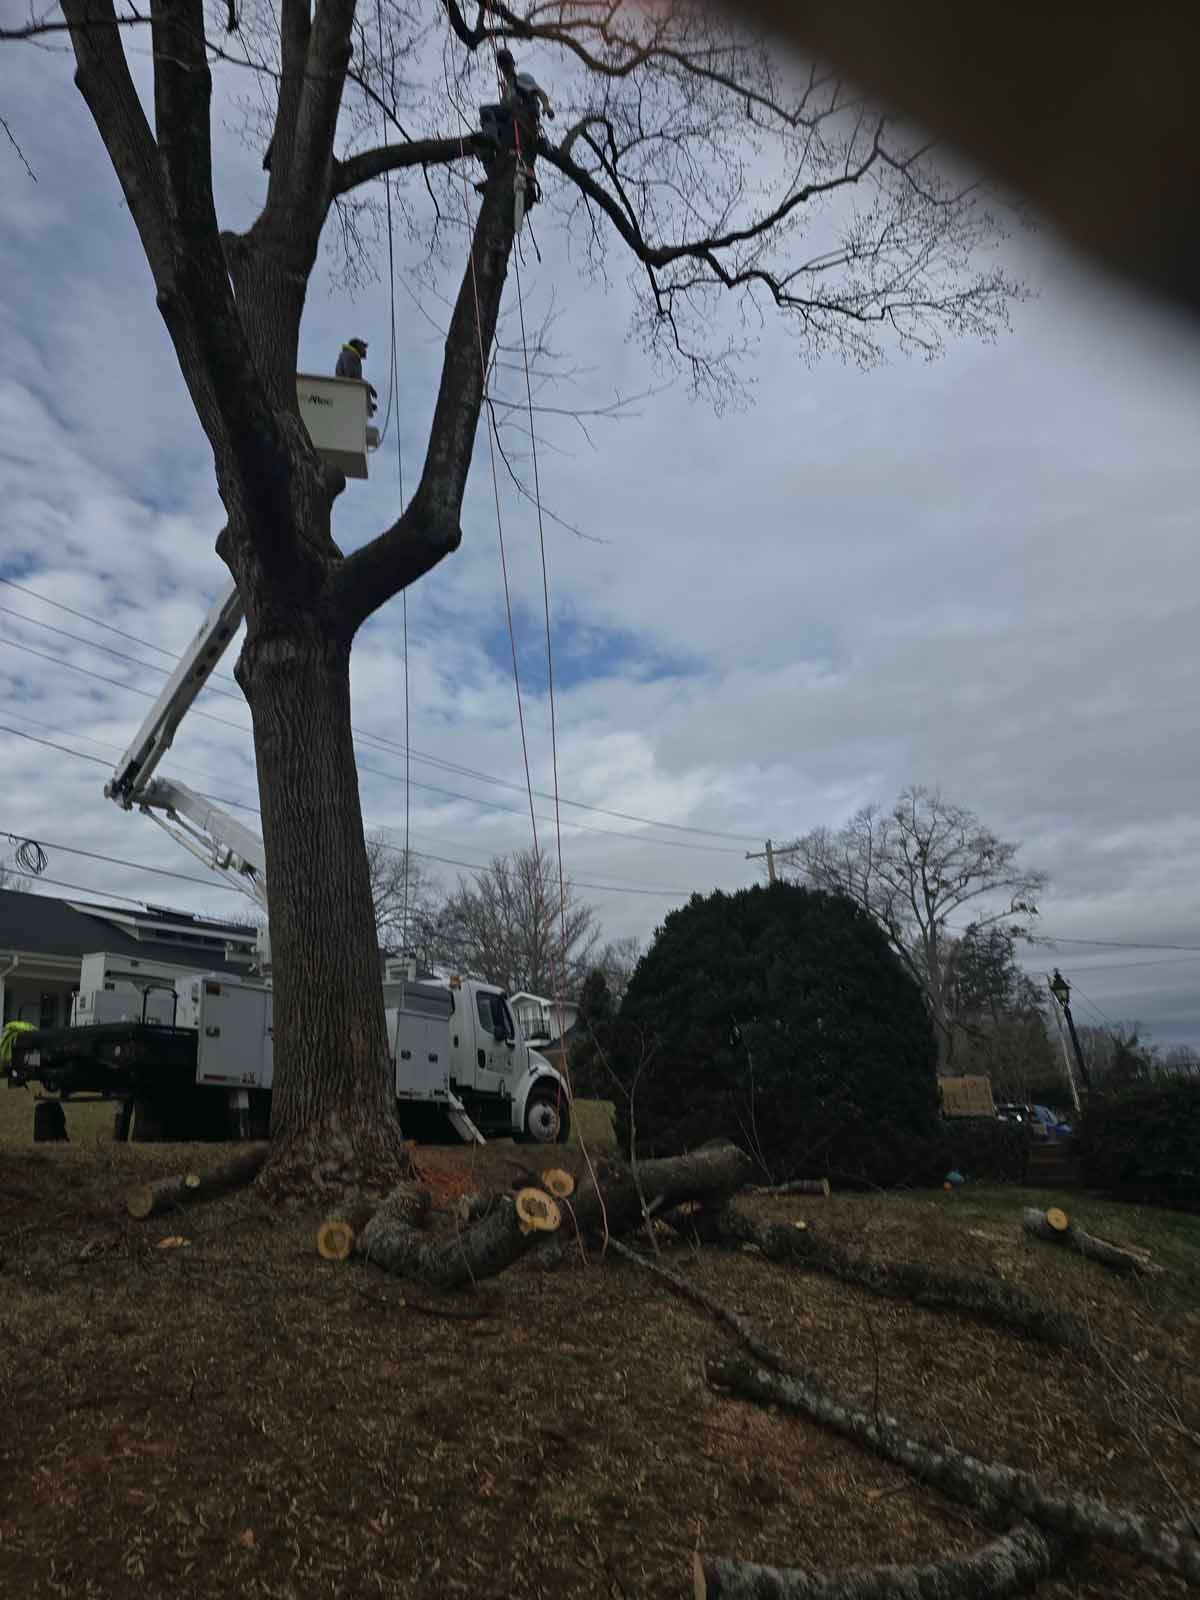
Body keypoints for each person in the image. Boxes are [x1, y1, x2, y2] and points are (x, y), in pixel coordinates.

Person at [335, 337, 377, 414]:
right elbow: (353, 380)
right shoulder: (351, 356)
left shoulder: (350, 355)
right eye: (363, 347)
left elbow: (355, 379)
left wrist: (369, 388)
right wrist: (369, 390)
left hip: (344, 394)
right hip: (345, 396)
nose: (365, 350)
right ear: (358, 346)